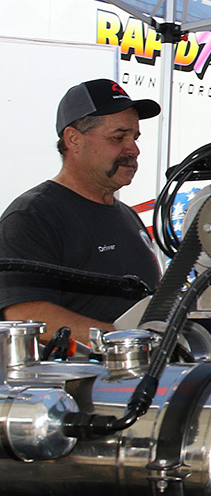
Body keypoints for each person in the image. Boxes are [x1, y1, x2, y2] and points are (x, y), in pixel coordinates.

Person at [0, 78, 162, 344]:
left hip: (142, 376)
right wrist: (122, 341)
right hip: (77, 383)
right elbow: (25, 315)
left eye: (134, 137)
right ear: (73, 139)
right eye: (118, 137)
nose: (134, 149)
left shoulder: (126, 215)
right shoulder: (32, 216)